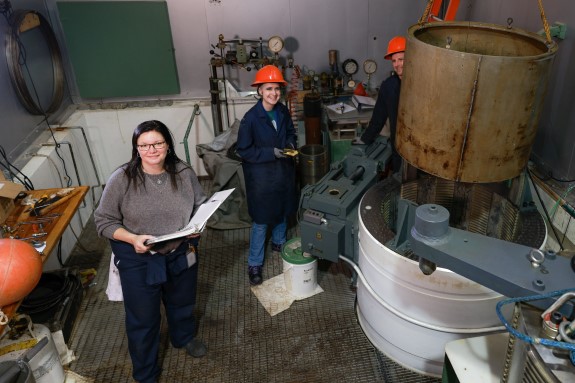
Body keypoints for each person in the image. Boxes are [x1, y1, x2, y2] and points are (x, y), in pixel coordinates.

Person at [94, 120, 208, 383]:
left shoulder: (183, 173)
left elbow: (200, 205)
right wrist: (132, 238)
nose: (151, 150)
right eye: (143, 145)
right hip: (139, 258)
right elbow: (104, 221)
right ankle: (145, 373)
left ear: (168, 145)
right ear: (136, 149)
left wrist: (197, 226)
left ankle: (183, 337)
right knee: (143, 318)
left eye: (157, 143)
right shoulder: (122, 179)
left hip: (180, 250)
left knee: (182, 301)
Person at [236, 65, 298, 286]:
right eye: (269, 88)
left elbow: (291, 131)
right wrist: (271, 152)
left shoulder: (282, 111)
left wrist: (290, 144)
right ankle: (254, 263)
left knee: (282, 211)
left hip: (283, 172)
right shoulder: (251, 118)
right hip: (261, 177)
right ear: (260, 91)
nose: (274, 93)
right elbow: (243, 150)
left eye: (277, 89)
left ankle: (279, 242)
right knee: (262, 220)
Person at [353, 36, 406, 173]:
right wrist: (365, 139)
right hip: (398, 150)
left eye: (401, 59)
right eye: (394, 61)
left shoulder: (422, 85)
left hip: (420, 150)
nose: (397, 64)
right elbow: (378, 118)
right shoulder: (388, 86)